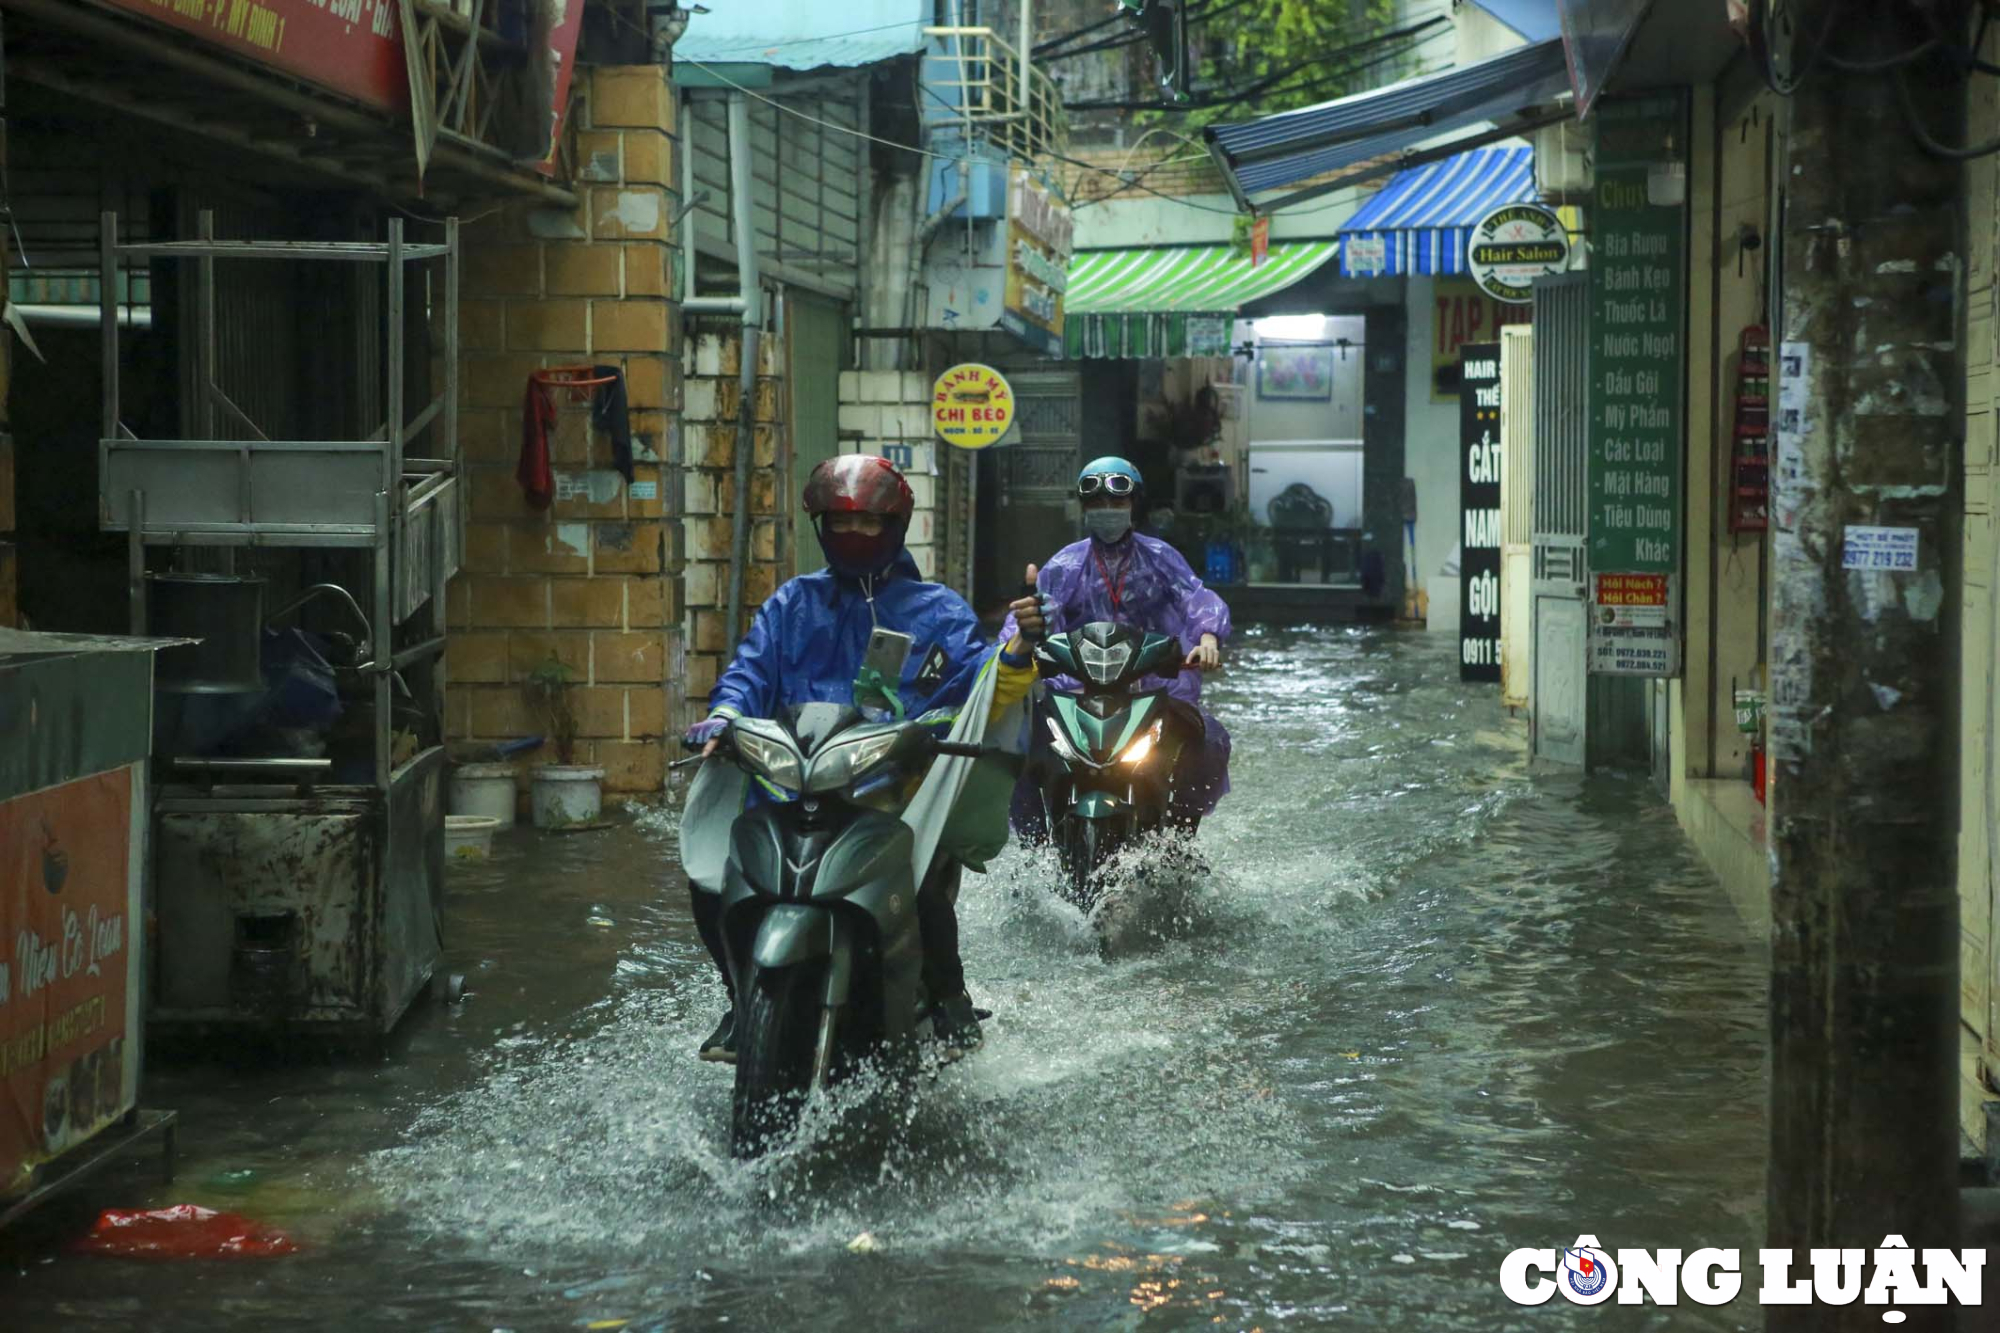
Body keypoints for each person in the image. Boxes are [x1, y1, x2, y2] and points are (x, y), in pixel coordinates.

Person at [682, 454, 1036, 1063]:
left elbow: (983, 685)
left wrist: (1018, 648)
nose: (854, 537)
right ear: (820, 529)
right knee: (713, 878)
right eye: (839, 524)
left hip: (893, 795)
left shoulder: (938, 610)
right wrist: (725, 716)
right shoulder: (791, 604)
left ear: (894, 527)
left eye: (869, 525)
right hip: (794, 786)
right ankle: (742, 1003)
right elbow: (748, 671)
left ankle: (949, 1000)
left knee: (920, 886)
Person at [1001, 455, 1231, 835]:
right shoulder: (1065, 565)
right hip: (1078, 693)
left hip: (1154, 689)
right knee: (1019, 744)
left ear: (1133, 505)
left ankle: (1181, 833)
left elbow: (1196, 599)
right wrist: (1019, 641)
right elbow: (1032, 618)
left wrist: (1207, 638)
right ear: (1085, 507)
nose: (1107, 510)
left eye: (1117, 502)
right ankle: (1034, 846)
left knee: (1210, 739)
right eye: (1097, 503)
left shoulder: (1160, 558)